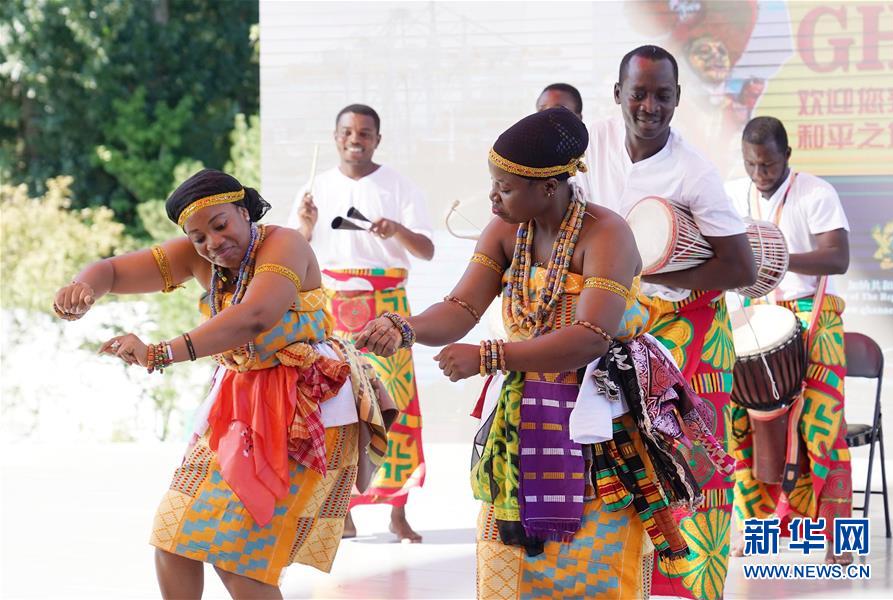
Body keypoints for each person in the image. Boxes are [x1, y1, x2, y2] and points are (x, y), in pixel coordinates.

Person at [355, 108, 734, 599]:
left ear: (550, 187)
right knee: (507, 566)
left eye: (505, 188)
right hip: (521, 420)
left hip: (600, 421)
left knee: (596, 572)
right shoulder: (504, 229)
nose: (493, 198)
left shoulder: (607, 233)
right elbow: (461, 306)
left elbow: (591, 336)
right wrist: (405, 327)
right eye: (493, 185)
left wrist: (489, 357)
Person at [53, 169, 393, 599]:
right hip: (237, 406)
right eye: (198, 237)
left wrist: (160, 352)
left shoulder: (284, 243)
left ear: (244, 211)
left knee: (241, 564)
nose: (212, 242)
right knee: (174, 540)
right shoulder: (198, 256)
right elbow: (113, 271)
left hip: (307, 408)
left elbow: (255, 317)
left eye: (220, 225)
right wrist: (83, 287)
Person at [580, 45, 756, 600]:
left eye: (662, 95)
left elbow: (741, 267)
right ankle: (625, 581)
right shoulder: (591, 144)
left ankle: (692, 586)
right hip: (616, 317)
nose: (649, 106)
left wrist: (648, 267)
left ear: (678, 99)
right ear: (618, 94)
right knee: (617, 451)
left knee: (690, 456)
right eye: (639, 93)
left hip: (688, 325)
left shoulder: (694, 170)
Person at [288, 103, 434, 542]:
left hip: (386, 305)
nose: (356, 139)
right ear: (336, 137)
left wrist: (397, 231)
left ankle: (397, 510)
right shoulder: (314, 188)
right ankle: (343, 509)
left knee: (396, 403)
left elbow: (426, 250)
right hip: (332, 307)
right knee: (340, 405)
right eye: (348, 132)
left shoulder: (399, 186)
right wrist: (305, 226)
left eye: (365, 132)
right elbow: (294, 253)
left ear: (377, 139)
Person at [725, 116, 853, 565]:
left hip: (813, 314)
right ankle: (754, 529)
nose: (759, 173)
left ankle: (839, 538)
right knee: (742, 427)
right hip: (756, 315)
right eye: (751, 164)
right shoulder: (732, 194)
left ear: (787, 157)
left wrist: (774, 258)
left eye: (769, 164)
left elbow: (838, 257)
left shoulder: (816, 193)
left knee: (823, 427)